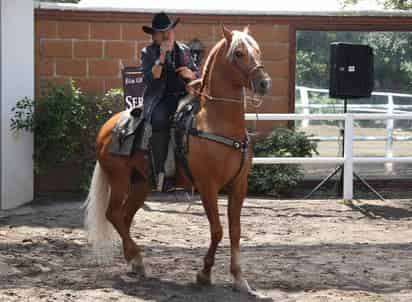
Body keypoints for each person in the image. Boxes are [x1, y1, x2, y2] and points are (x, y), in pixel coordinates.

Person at [140, 12, 199, 191]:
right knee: (160, 120)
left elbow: (196, 75)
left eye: (169, 31)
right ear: (154, 35)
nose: (166, 35)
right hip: (159, 97)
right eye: (161, 32)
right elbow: (152, 78)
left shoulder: (184, 50)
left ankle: (194, 172)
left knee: (198, 118)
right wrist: (162, 56)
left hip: (183, 96)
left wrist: (191, 76)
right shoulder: (148, 52)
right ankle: (160, 174)